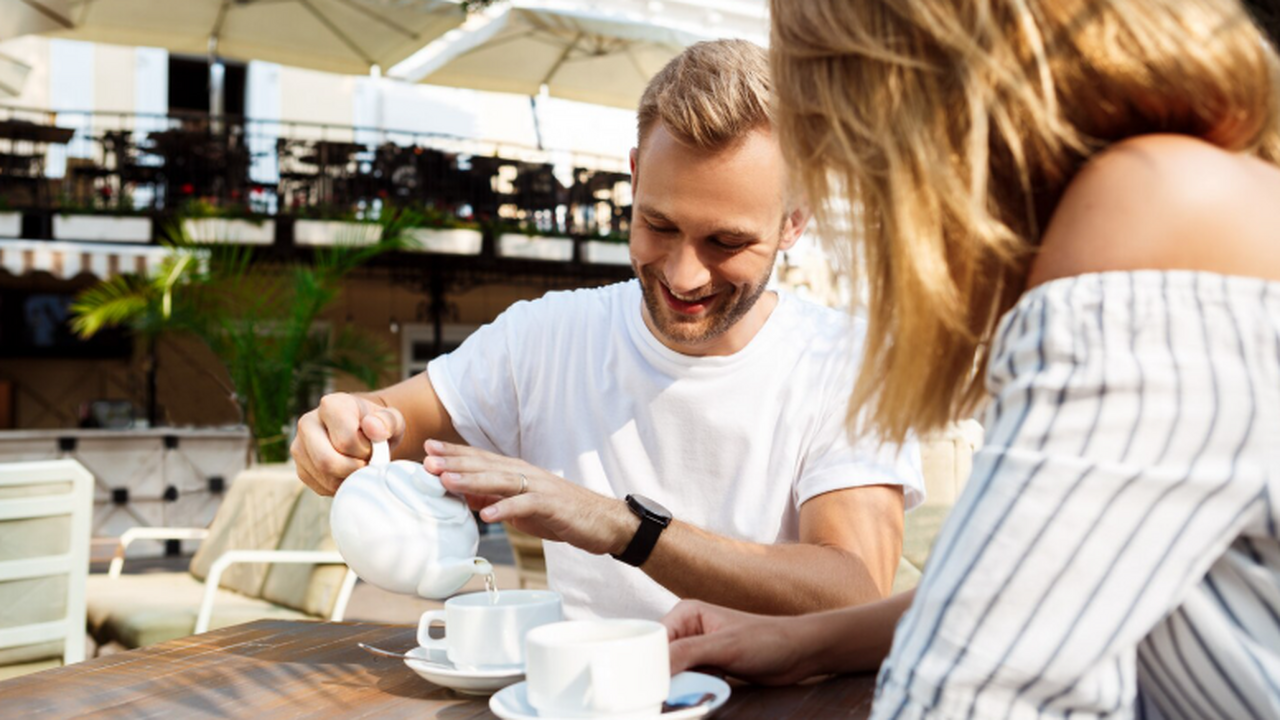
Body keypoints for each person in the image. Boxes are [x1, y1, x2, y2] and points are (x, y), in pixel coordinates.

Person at [663, 0, 1280, 717]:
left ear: (896, 94)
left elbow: (969, 692)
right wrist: (801, 641)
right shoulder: (1204, 184)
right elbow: (1039, 591)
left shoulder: (1149, 209)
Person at [291, 39, 923, 622]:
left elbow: (852, 588)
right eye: (660, 225)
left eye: (726, 242)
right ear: (634, 176)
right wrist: (339, 431)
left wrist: (622, 526)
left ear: (795, 221)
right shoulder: (547, 336)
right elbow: (384, 422)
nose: (684, 274)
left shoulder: (848, 362)